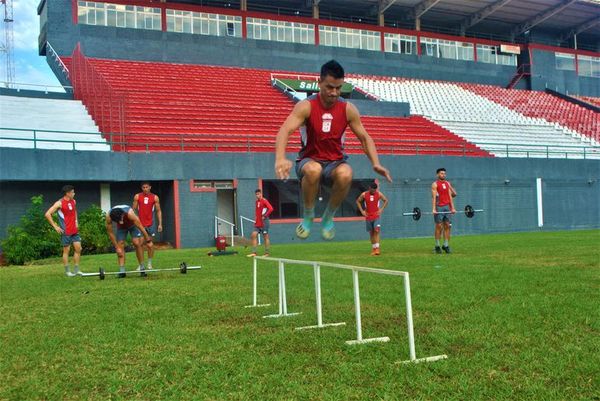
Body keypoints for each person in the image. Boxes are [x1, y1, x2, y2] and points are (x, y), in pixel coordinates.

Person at [274, 60, 392, 240]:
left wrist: (375, 163)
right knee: (314, 170)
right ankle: (308, 215)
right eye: (329, 87)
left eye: (338, 88)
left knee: (346, 173)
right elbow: (285, 130)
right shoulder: (306, 106)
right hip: (308, 160)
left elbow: (364, 137)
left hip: (335, 162)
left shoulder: (348, 109)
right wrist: (280, 158)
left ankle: (328, 217)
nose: (334, 93)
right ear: (319, 82)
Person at [105, 205, 153, 277]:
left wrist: (148, 240)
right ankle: (122, 271)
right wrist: (117, 247)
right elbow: (110, 233)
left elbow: (140, 227)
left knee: (137, 243)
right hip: (121, 228)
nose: (120, 222)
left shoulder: (130, 214)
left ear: (123, 214)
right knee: (120, 245)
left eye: (120, 219)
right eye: (118, 221)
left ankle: (142, 269)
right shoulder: (109, 216)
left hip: (132, 225)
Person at [44, 185, 82, 276]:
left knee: (78, 249)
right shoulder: (59, 203)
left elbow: (74, 211)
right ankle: (68, 271)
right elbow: (47, 214)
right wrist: (55, 226)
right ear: (67, 193)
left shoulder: (74, 201)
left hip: (74, 230)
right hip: (66, 231)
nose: (74, 193)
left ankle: (76, 270)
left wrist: (76, 221)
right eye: (72, 192)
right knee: (66, 251)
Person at [132, 182, 162, 270]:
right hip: (140, 224)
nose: (145, 189)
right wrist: (135, 221)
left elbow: (158, 211)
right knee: (140, 244)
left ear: (150, 187)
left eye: (147, 187)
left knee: (149, 245)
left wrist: (160, 224)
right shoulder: (137, 196)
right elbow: (133, 210)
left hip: (150, 224)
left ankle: (149, 264)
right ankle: (141, 264)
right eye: (143, 187)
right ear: (142, 188)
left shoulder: (155, 197)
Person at [356, 182, 388, 256]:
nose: (373, 191)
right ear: (369, 188)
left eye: (374, 190)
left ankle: (377, 249)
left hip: (376, 216)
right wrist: (362, 211)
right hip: (368, 216)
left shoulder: (379, 194)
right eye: (372, 190)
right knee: (371, 233)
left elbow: (386, 200)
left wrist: (381, 209)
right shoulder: (364, 194)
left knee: (376, 230)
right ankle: (374, 249)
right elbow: (358, 201)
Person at [432, 168, 456, 254]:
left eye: (444, 173)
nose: (443, 175)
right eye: (441, 173)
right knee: (439, 226)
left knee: (447, 225)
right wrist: (434, 209)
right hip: (439, 207)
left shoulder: (447, 183)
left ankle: (446, 245)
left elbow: (450, 197)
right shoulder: (435, 184)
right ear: (437, 174)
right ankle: (437, 246)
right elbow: (434, 197)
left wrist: (452, 208)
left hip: (447, 207)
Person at [247, 189, 274, 257]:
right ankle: (254, 252)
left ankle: (267, 253)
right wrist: (256, 218)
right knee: (253, 235)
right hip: (258, 222)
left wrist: (265, 216)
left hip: (264, 222)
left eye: (258, 194)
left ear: (261, 194)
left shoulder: (264, 201)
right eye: (256, 194)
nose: (257, 195)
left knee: (265, 237)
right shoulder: (256, 202)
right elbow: (257, 211)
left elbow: (271, 209)